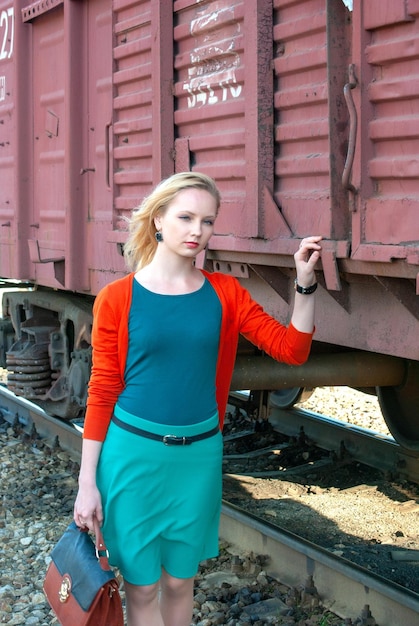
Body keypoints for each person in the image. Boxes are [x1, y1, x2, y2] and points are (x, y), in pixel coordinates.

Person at [74, 171, 322, 626]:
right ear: (158, 222)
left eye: (207, 221)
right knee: (144, 587)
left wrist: (304, 283)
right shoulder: (116, 298)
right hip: (133, 457)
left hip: (198, 458)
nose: (196, 231)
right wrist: (87, 482)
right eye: (185, 217)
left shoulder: (225, 294)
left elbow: (293, 349)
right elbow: (103, 388)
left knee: (179, 583)